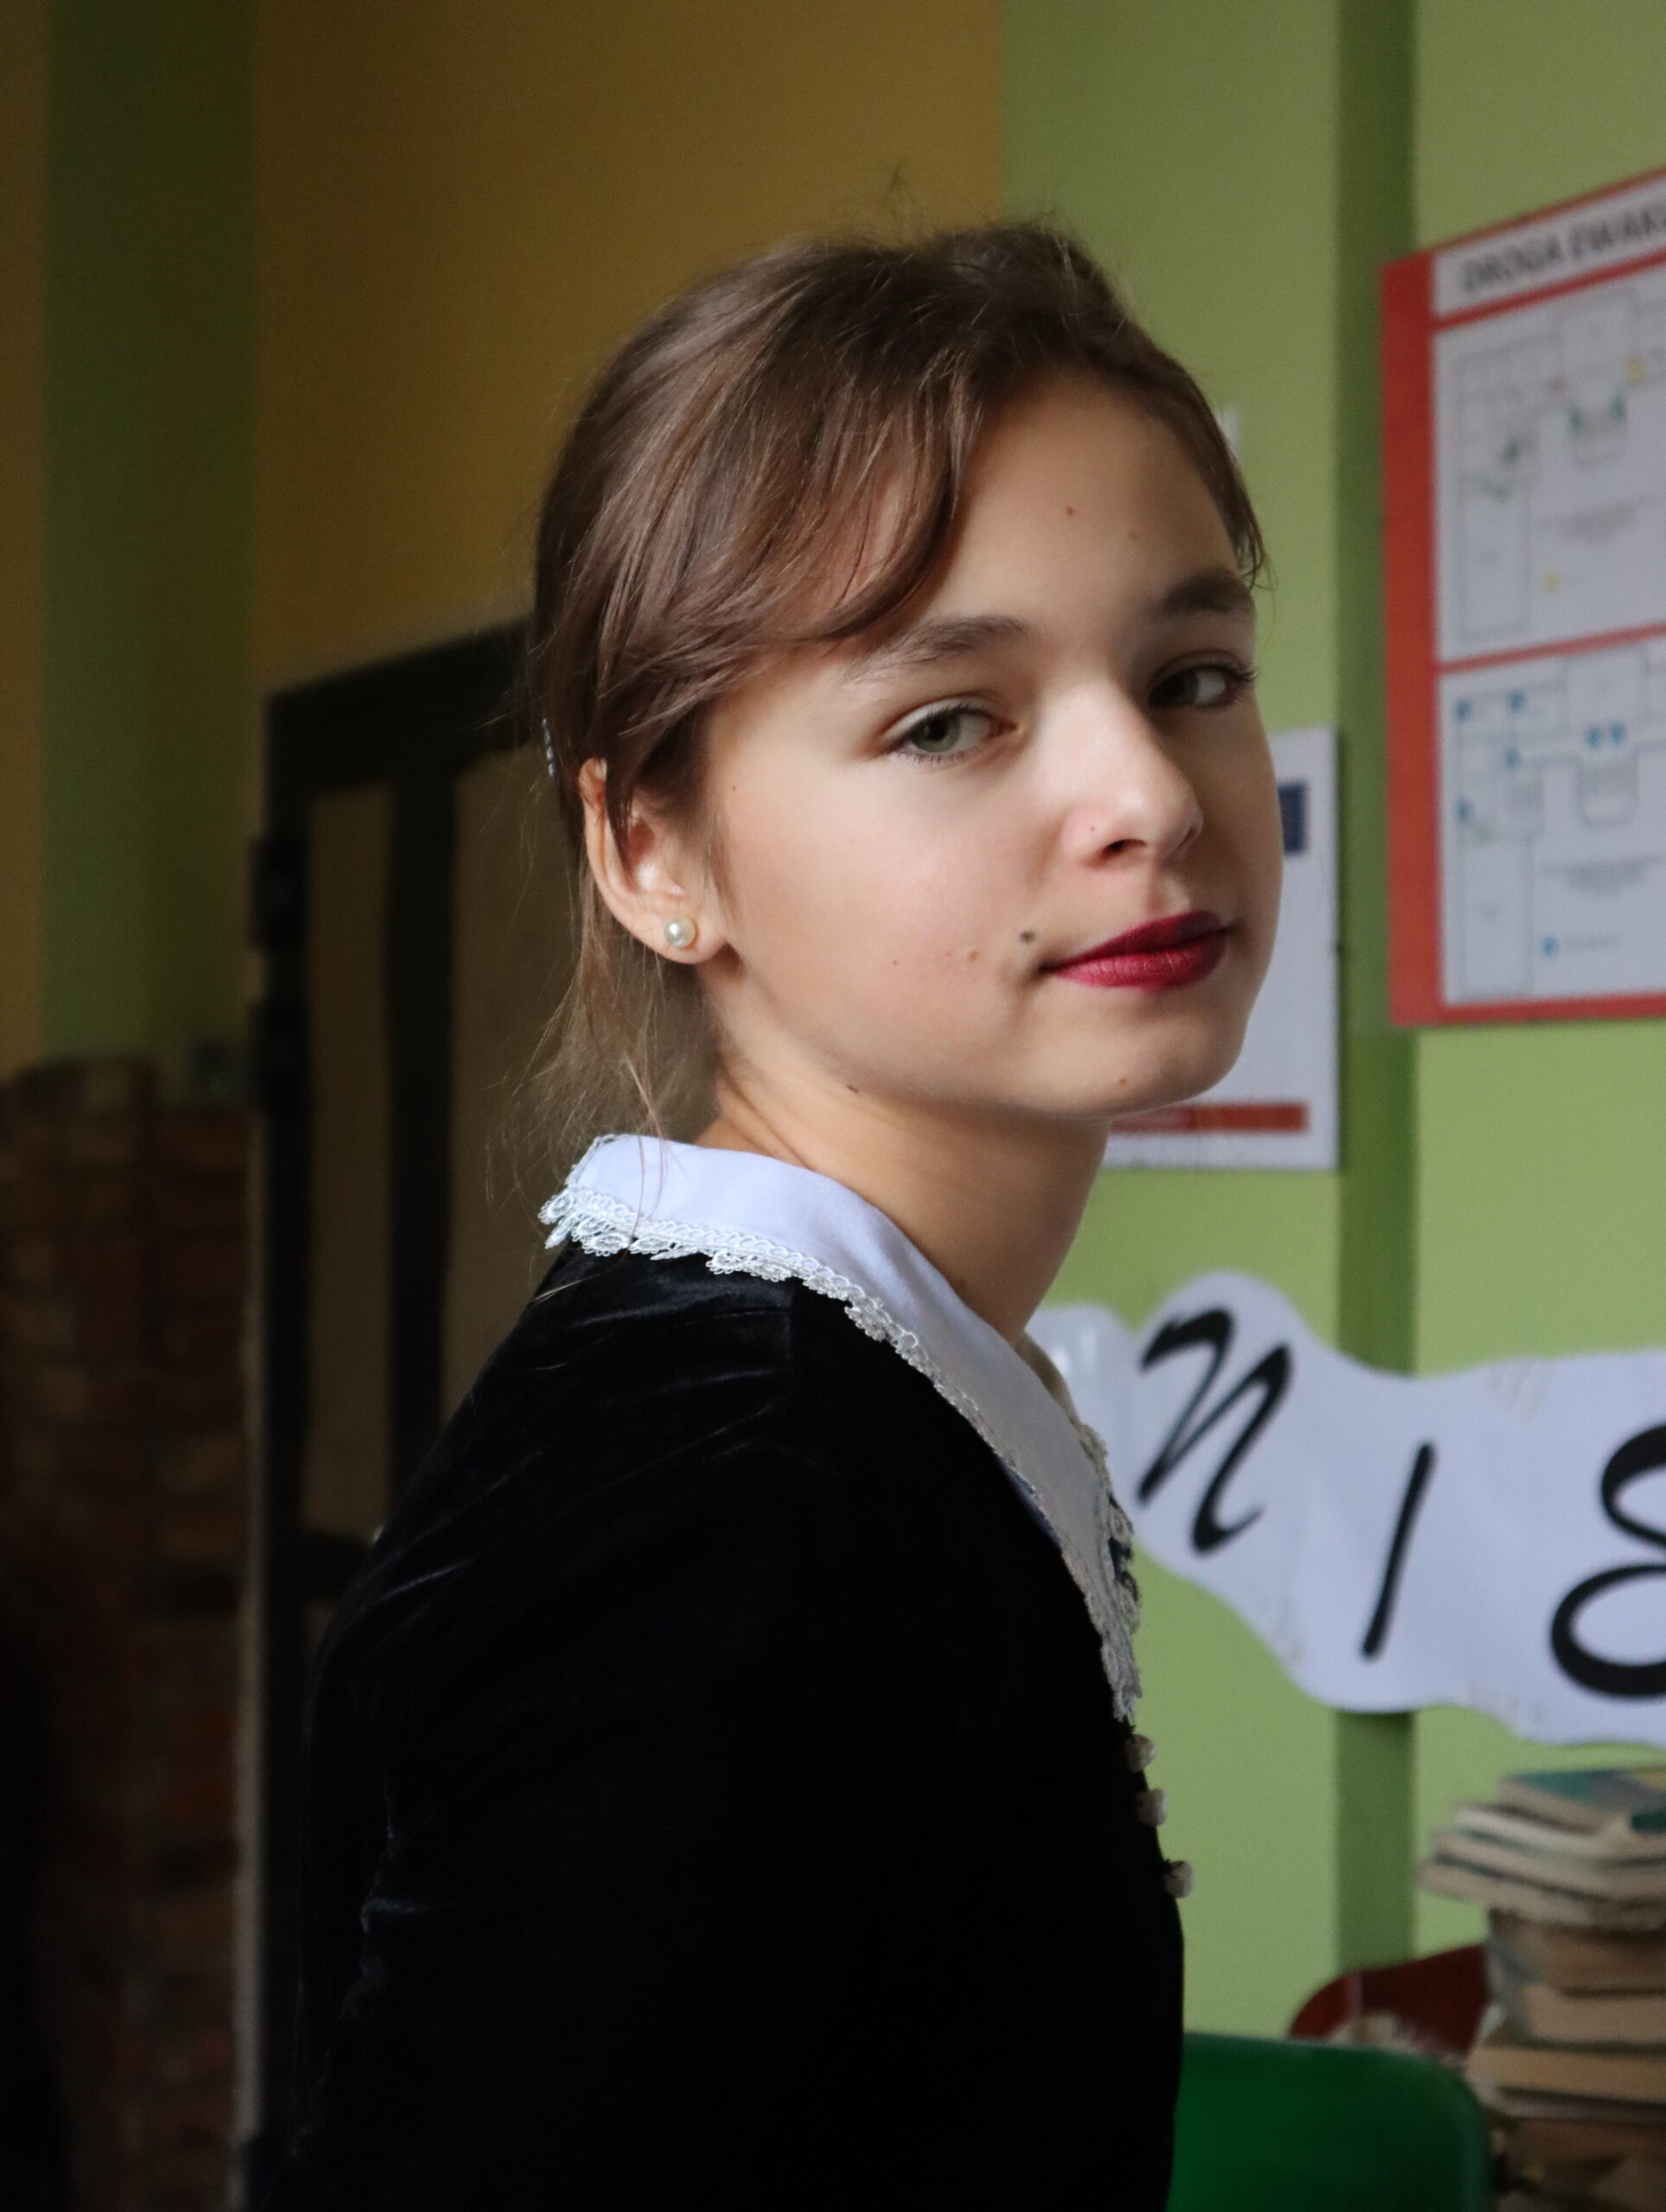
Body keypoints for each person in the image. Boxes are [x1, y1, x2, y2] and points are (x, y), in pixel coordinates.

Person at [264, 222, 1281, 2208]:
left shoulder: (830, 1400)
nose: (1153, 794)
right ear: (653, 847)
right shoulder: (719, 1505)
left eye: (1192, 675)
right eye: (949, 717)